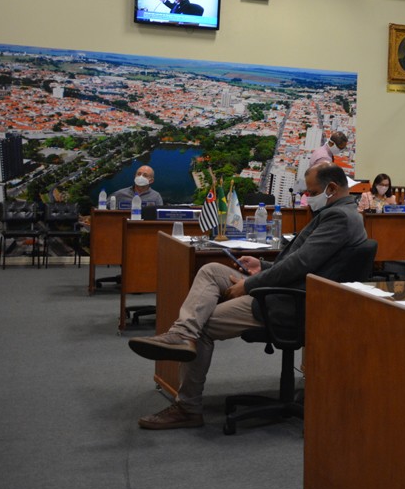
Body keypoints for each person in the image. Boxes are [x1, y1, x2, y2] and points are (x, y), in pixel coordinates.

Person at [126, 163, 367, 429]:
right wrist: (262, 266)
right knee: (211, 270)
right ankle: (182, 334)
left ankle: (187, 408)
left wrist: (249, 285)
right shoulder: (339, 213)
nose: (307, 198)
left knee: (202, 325)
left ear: (331, 188)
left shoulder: (339, 218)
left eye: (311, 192)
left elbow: (299, 265)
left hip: (290, 302)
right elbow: (303, 263)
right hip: (289, 290)